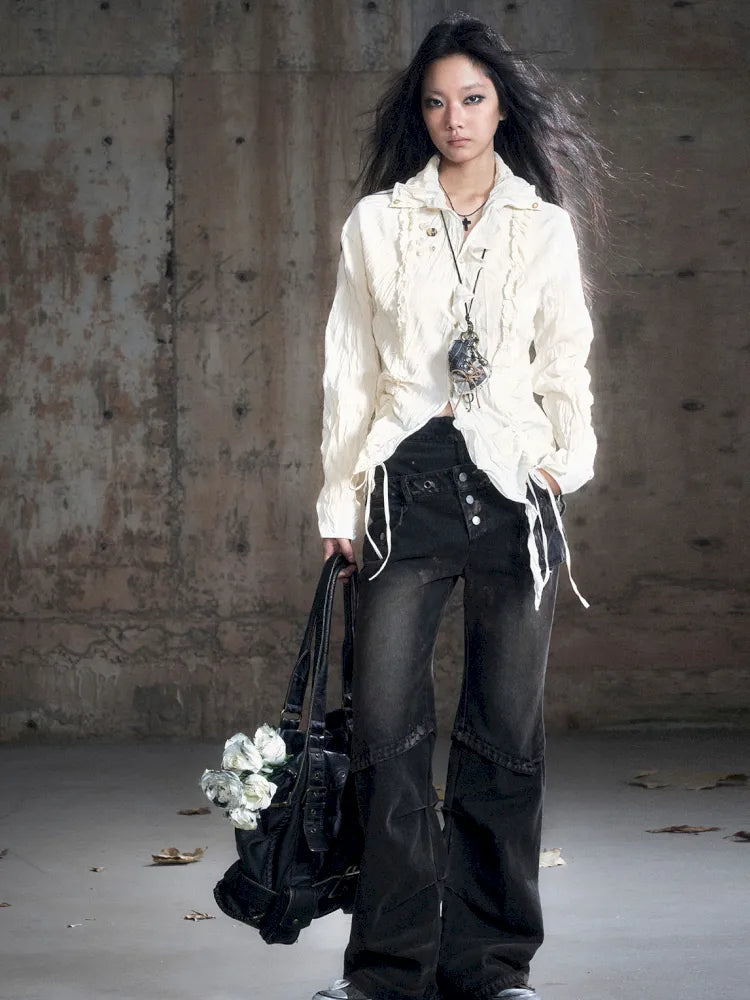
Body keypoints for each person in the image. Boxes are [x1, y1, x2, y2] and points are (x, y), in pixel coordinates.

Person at [314, 12, 606, 1000]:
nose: (456, 117)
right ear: (421, 113)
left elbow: (566, 362)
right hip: (406, 485)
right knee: (385, 733)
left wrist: (563, 465)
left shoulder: (543, 226)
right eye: (437, 102)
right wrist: (339, 499)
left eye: (473, 98)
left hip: (513, 490)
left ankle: (490, 967)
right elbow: (349, 373)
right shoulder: (376, 223)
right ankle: (389, 970)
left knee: (504, 736)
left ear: (500, 107)